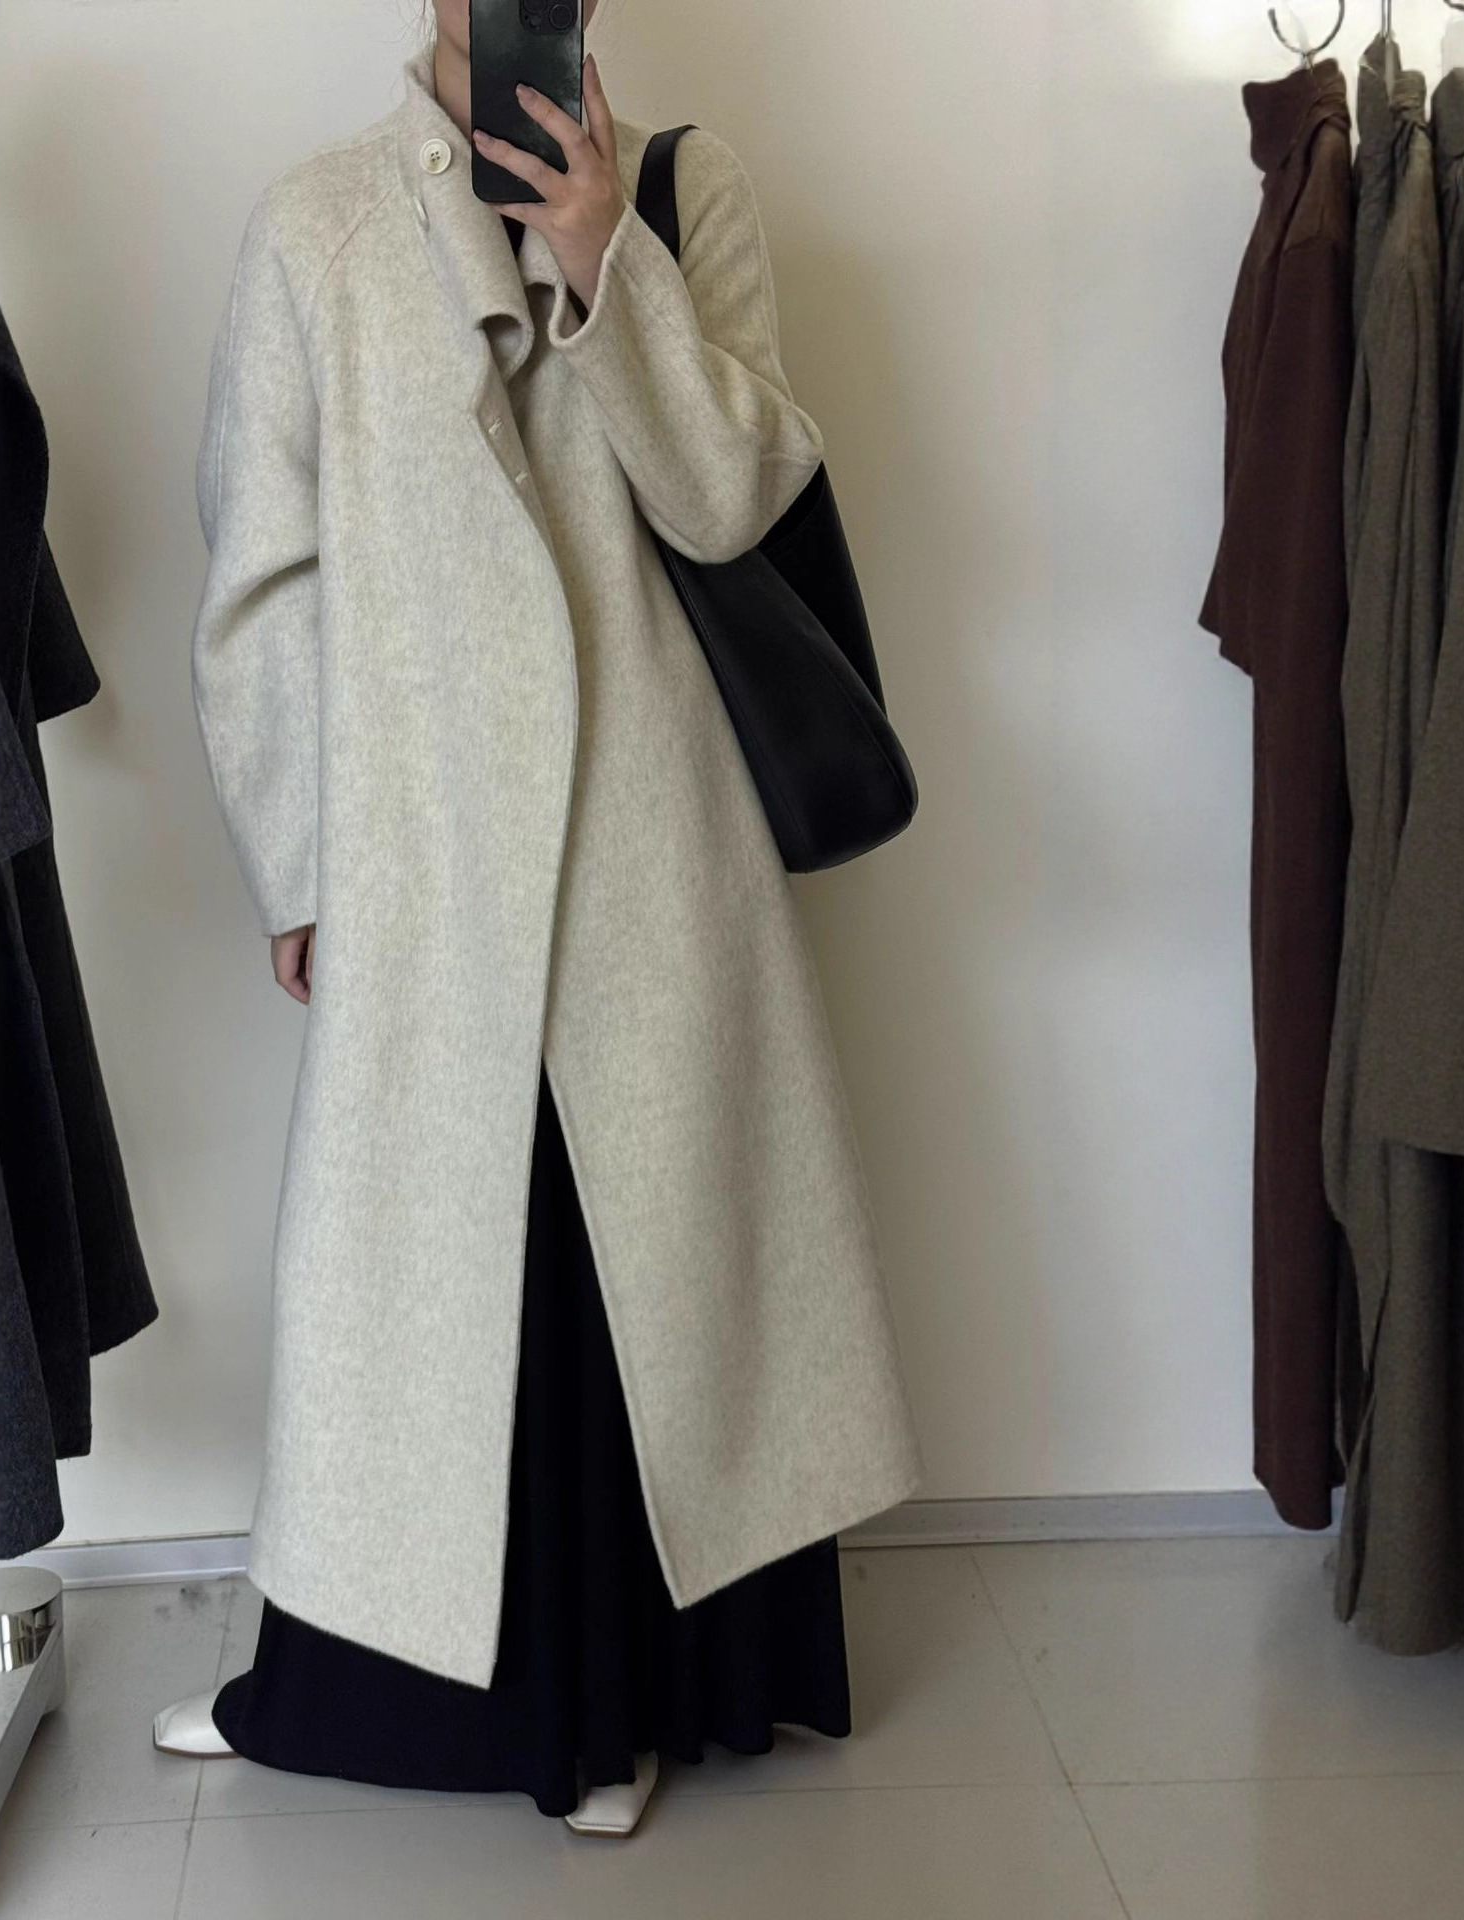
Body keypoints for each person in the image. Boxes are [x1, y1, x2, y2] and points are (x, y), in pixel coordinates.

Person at [158, 2, 922, 1835]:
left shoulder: (683, 194)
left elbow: (736, 498)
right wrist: (300, 858)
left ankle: (620, 1715)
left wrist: (603, 263)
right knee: (430, 1295)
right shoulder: (319, 224)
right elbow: (263, 574)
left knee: (634, 1278)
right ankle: (340, 1676)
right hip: (426, 859)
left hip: (657, 851)